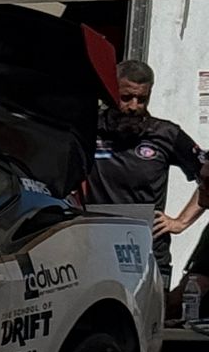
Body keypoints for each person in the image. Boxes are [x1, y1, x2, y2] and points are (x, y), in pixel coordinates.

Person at [87, 57, 204, 282]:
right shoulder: (90, 129)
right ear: (112, 91)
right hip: (96, 251)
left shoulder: (165, 134)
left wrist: (180, 222)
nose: (133, 106)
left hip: (148, 255)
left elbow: (207, 175)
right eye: (126, 97)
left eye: (142, 99)